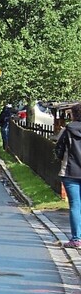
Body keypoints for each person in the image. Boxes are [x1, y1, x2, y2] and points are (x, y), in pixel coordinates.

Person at [55, 104, 81, 248]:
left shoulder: (68, 130)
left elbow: (58, 148)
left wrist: (61, 158)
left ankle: (76, 239)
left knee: (75, 205)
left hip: (70, 172)